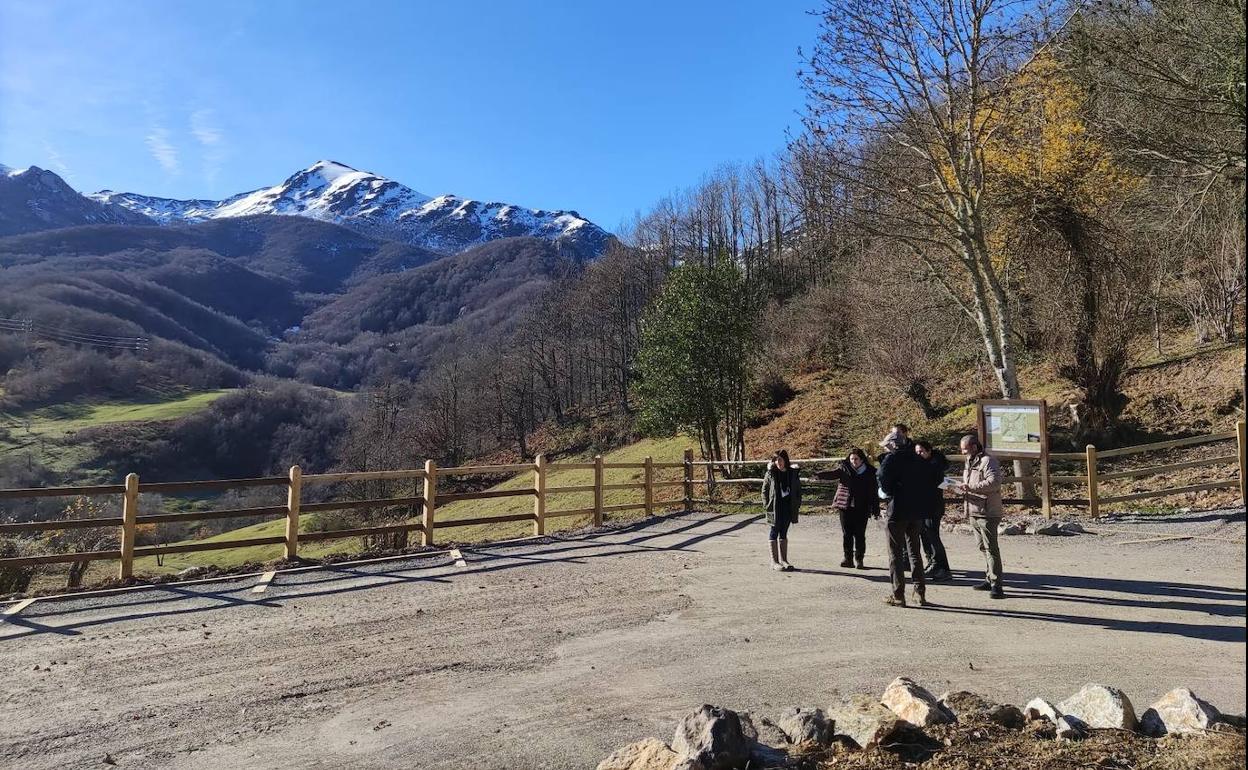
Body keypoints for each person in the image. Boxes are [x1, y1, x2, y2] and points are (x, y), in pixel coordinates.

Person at [877, 432, 928, 607]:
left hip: (897, 509)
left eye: (886, 444)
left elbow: (882, 479)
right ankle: (920, 593)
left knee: (895, 553)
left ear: (892, 444)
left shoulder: (891, 459)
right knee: (915, 551)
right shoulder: (916, 457)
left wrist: (890, 490)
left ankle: (898, 594)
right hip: (916, 509)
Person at [956, 434, 1006, 599]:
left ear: (975, 447)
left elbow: (994, 482)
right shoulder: (969, 461)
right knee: (982, 547)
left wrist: (970, 487)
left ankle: (997, 584)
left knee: (991, 548)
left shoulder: (988, 461)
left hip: (988, 512)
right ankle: (989, 577)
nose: (963, 452)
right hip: (974, 510)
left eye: (965, 449)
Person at [818, 447, 880, 569]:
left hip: (862, 507)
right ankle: (848, 559)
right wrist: (818, 475)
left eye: (856, 459)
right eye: (852, 459)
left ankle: (859, 559)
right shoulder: (844, 468)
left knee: (860, 534)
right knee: (847, 534)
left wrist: (875, 508)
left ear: (862, 460)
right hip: (845, 506)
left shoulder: (870, 472)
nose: (854, 461)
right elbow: (832, 474)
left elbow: (873, 491)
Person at [915, 440, 952, 581]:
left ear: (929, 451)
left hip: (932, 506)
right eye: (917, 452)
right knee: (926, 536)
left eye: (922, 451)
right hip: (924, 505)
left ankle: (943, 568)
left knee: (933, 537)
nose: (919, 454)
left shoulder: (935, 465)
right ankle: (933, 563)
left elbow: (934, 486)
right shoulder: (923, 464)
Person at [761, 449, 802, 572]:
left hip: (788, 508)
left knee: (784, 532)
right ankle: (774, 562)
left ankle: (784, 560)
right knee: (774, 531)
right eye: (776, 460)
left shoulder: (792, 473)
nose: (778, 462)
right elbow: (764, 491)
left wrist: (797, 504)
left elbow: (798, 491)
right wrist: (767, 505)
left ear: (785, 460)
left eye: (780, 459)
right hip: (774, 508)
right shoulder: (770, 474)